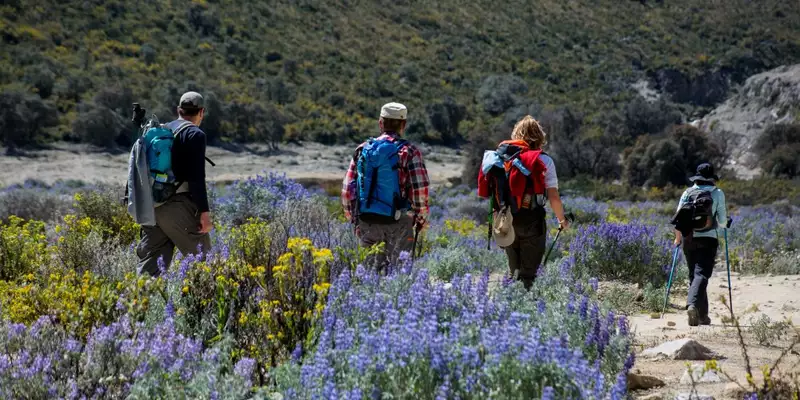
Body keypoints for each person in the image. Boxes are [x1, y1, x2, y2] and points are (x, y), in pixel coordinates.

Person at [477, 115, 569, 289]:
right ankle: (525, 308)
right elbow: (553, 196)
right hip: (532, 221)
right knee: (529, 275)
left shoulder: (503, 159)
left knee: (514, 271)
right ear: (540, 137)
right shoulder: (544, 160)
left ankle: (510, 304)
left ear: (516, 135)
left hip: (505, 221)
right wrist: (562, 220)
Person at [341, 102, 430, 272]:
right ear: (403, 125)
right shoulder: (410, 151)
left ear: (380, 123)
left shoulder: (363, 149)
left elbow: (347, 190)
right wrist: (420, 220)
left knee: (368, 276)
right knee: (399, 277)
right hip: (400, 222)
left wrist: (354, 220)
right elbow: (420, 191)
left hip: (367, 220)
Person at [135, 91, 213, 276]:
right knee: (205, 263)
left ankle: (135, 303)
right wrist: (204, 213)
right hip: (177, 207)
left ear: (179, 110)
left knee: (150, 269)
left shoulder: (160, 131)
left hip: (151, 205)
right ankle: (203, 304)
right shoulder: (194, 134)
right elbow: (196, 178)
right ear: (201, 112)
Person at [672, 162, 727, 326]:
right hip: (709, 238)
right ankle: (693, 305)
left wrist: (677, 238)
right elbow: (722, 221)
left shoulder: (687, 193)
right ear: (711, 178)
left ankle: (702, 316)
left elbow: (678, 218)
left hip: (689, 238)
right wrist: (724, 224)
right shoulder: (717, 193)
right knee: (701, 274)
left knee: (694, 276)